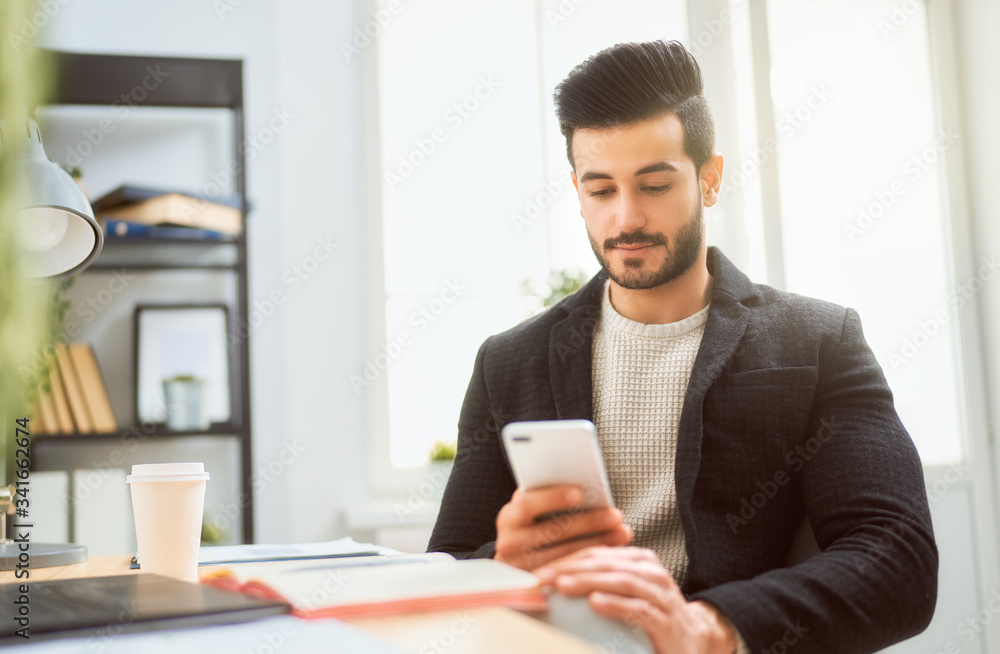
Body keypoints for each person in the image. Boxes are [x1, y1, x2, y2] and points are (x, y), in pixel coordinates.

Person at [427, 40, 937, 654]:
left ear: (710, 179)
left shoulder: (820, 341)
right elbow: (448, 567)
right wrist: (502, 564)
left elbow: (898, 559)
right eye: (601, 191)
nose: (626, 219)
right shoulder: (508, 361)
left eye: (655, 184)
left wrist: (710, 628)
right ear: (577, 191)